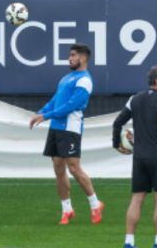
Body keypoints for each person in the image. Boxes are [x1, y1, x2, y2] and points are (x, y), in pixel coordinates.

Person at [29, 43, 103, 225]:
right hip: (56, 128)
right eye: (69, 55)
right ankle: (67, 210)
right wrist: (41, 112)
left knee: (74, 167)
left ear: (83, 58)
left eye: (73, 55)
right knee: (58, 167)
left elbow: (71, 106)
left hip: (70, 128)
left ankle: (95, 204)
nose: (69, 58)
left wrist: (46, 116)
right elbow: (56, 100)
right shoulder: (66, 78)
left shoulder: (85, 80)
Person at [113, 66, 157, 248]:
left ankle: (128, 242)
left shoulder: (134, 99)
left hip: (139, 156)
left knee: (137, 198)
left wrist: (117, 144)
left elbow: (117, 123)